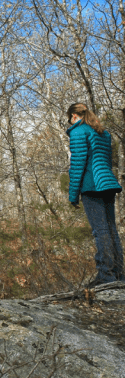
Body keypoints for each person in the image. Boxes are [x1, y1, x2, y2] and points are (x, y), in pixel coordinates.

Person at [66, 102, 124, 286]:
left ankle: (106, 276)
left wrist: (73, 195)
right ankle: (119, 274)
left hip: (92, 186)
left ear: (74, 116)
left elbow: (77, 165)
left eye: (70, 119)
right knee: (110, 230)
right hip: (108, 184)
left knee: (100, 231)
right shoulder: (103, 132)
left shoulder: (78, 132)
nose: (70, 123)